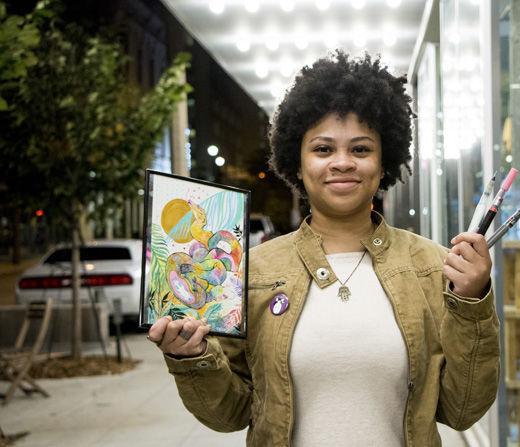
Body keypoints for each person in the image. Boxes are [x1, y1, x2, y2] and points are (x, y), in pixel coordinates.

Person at [148, 51, 500, 446]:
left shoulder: (433, 266)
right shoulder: (252, 271)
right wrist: (189, 358)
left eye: (361, 149)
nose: (343, 162)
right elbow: (229, 414)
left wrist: (473, 303)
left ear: (384, 164)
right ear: (297, 164)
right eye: (323, 149)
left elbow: (463, 408)